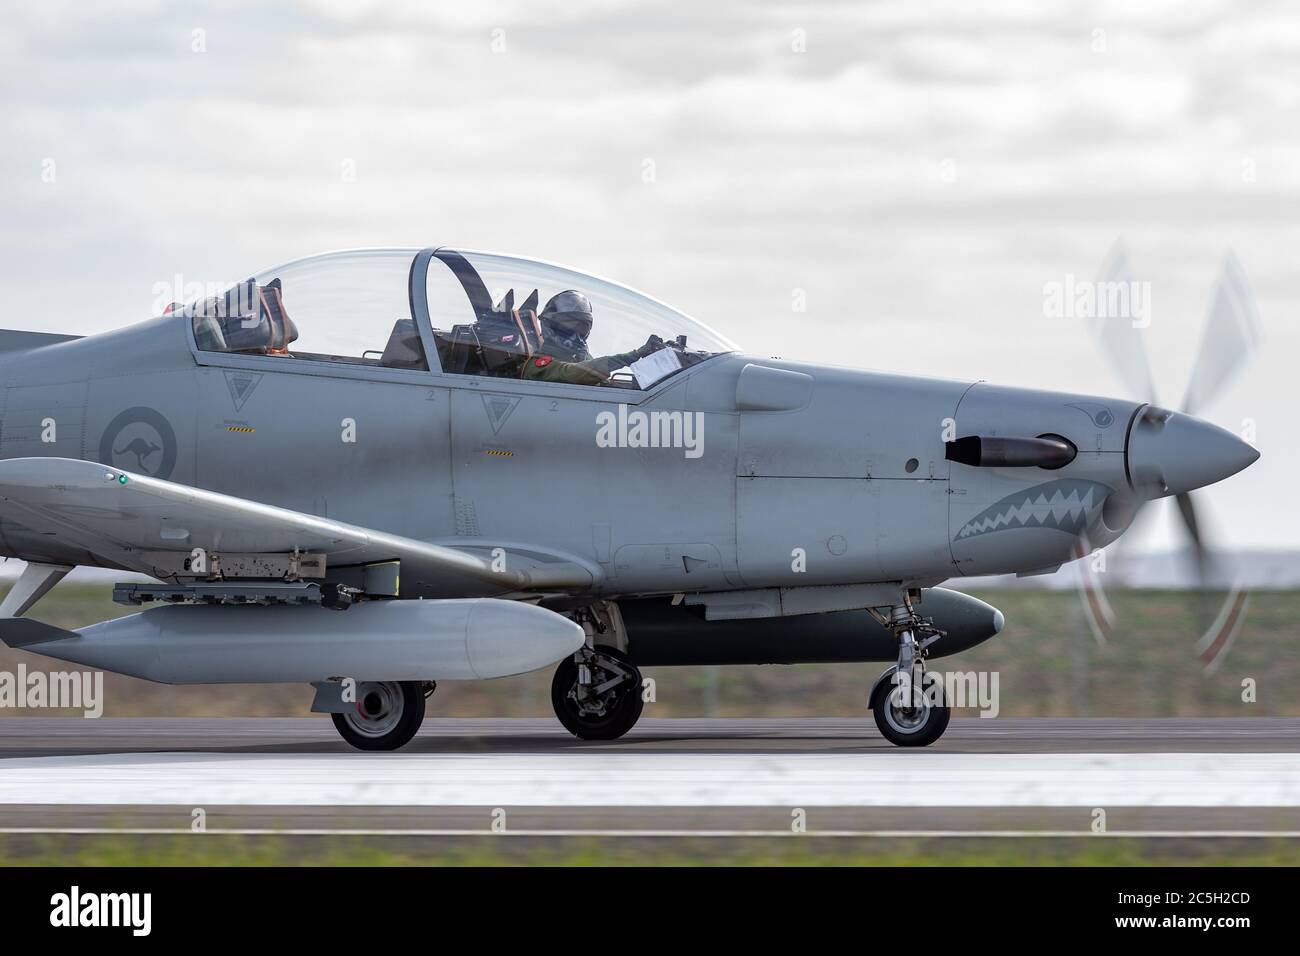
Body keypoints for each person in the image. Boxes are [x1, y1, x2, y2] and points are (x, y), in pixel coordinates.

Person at [521, 290, 665, 385]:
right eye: (569, 326)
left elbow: (606, 384)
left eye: (582, 327)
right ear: (550, 325)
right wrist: (633, 356)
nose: (575, 334)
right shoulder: (537, 366)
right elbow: (574, 373)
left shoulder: (582, 359)